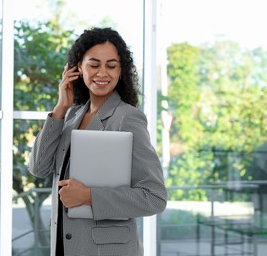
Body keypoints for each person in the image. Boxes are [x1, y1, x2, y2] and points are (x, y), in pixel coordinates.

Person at [29, 27, 167, 256]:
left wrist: (89, 196)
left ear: (121, 71)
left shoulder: (127, 118)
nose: (102, 73)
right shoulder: (72, 116)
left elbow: (154, 198)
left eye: (111, 66)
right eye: (94, 65)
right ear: (77, 68)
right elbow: (38, 167)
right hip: (66, 246)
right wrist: (60, 108)